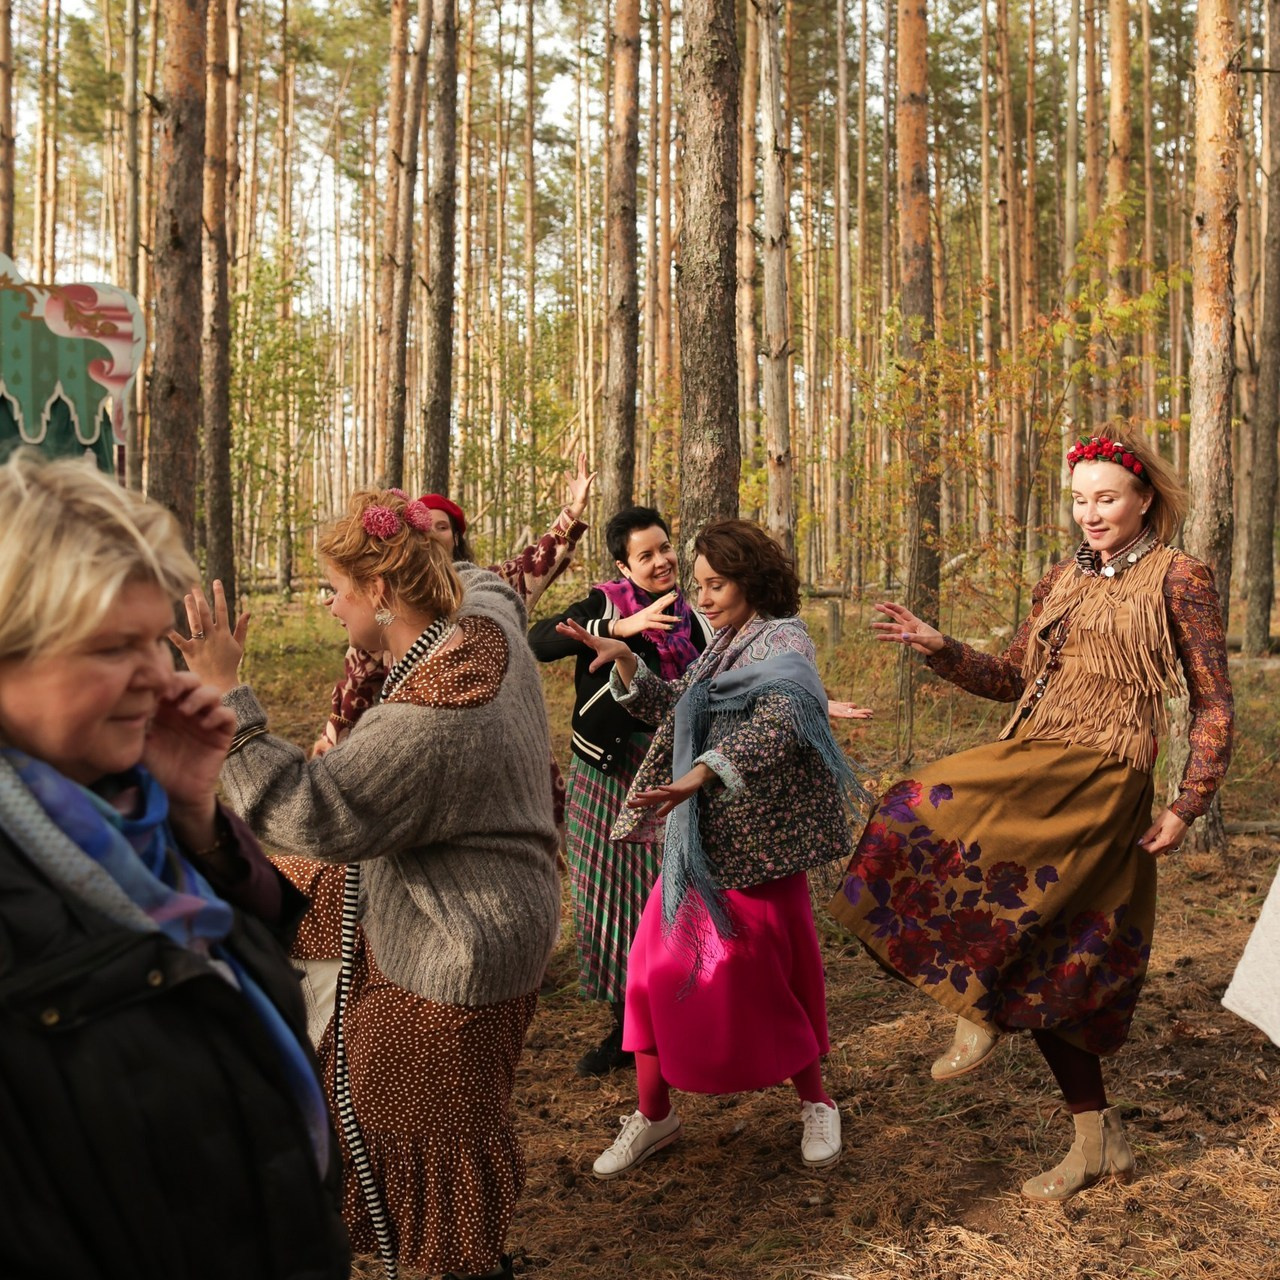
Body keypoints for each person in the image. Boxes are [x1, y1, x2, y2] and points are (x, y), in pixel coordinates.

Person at [829, 433, 1234, 1201]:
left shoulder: (1180, 579)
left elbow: (1214, 699)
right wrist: (940, 645)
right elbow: (1010, 675)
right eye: (1080, 500)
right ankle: (1098, 1140)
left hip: (1101, 779)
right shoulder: (1064, 579)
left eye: (1106, 498)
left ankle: (975, 997)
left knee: (922, 808)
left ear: (1145, 498)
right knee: (1055, 956)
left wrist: (1190, 803)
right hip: (1040, 755)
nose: (1091, 513)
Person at [179, 488, 561, 1280]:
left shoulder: (439, 705)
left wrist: (228, 696)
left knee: (414, 1124)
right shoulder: (482, 615)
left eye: (335, 588)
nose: (327, 604)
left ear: (382, 593)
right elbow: (485, 577)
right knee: (290, 927)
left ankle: (458, 1263)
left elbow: (315, 810)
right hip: (487, 903)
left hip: (463, 940)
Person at [0, 451, 349, 1280]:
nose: (159, 679)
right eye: (109, 649)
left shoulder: (130, 817)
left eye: (156, 640)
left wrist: (198, 821)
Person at [559, 519, 873, 1178]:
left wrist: (703, 771)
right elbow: (681, 706)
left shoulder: (783, 640)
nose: (702, 597)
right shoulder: (723, 642)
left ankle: (817, 1102)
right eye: (699, 583)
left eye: (716, 583)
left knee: (774, 984)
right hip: (698, 848)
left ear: (750, 579)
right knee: (648, 975)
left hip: (759, 852)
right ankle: (653, 1113)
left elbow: (780, 723)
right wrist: (627, 665)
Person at [529, 505, 715, 1075]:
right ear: (623, 564)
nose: (661, 562)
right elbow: (539, 642)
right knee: (604, 898)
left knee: (671, 896)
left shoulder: (701, 617)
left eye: (665, 549)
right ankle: (626, 1030)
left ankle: (684, 1016)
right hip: (606, 770)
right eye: (646, 555)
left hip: (672, 774)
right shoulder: (603, 604)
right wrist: (617, 629)